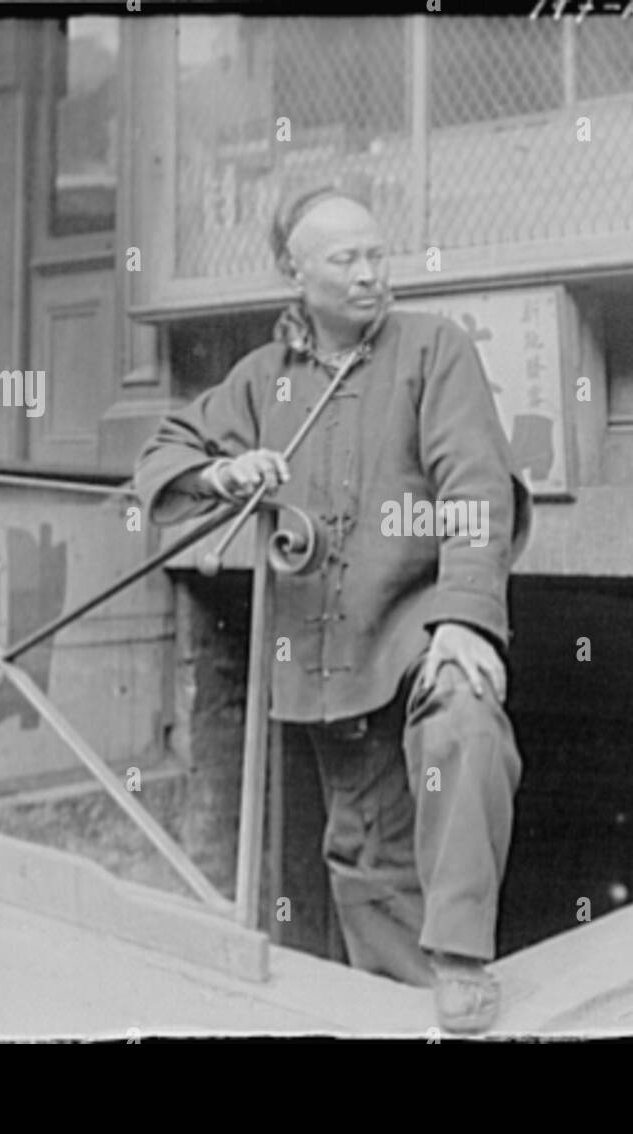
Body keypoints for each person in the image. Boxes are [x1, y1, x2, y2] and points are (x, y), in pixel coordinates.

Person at [134, 184, 531, 1033]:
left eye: (376, 255)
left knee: (465, 723)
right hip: (324, 651)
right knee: (367, 850)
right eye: (345, 259)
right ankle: (398, 1008)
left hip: (419, 624)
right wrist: (223, 474)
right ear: (295, 273)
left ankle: (461, 959)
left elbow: (474, 484)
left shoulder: (434, 348)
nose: (368, 274)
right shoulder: (261, 379)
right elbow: (166, 453)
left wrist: (465, 616)